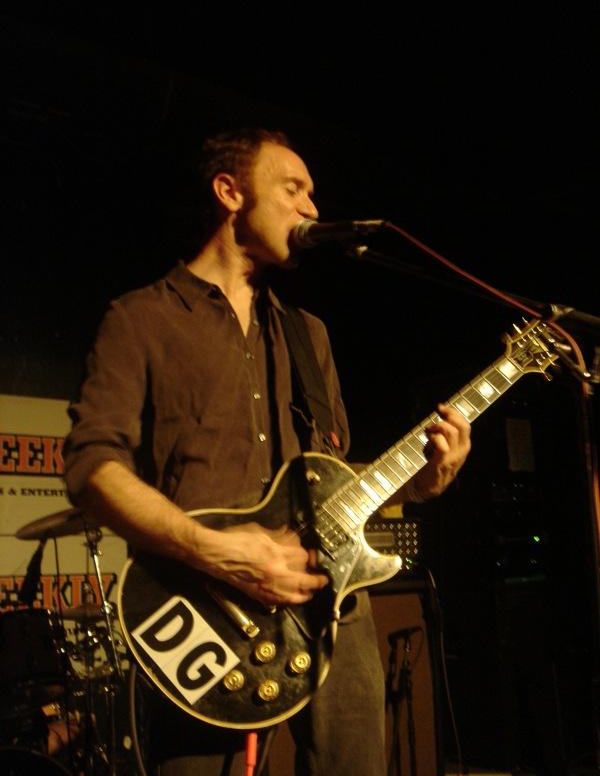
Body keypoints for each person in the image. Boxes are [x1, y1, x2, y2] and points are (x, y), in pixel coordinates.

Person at [63, 127, 472, 775]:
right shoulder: (141, 319)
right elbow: (91, 469)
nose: (312, 207)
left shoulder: (308, 335)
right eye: (293, 188)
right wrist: (224, 552)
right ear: (230, 192)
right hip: (203, 611)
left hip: (332, 606)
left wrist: (421, 482)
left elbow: (334, 477)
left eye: (312, 192)